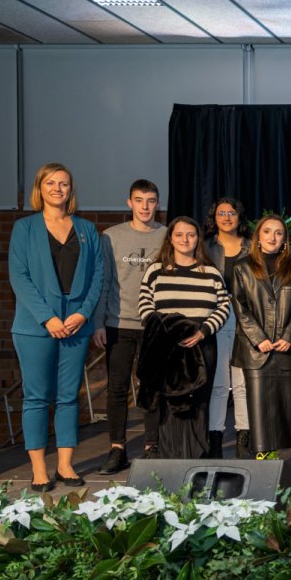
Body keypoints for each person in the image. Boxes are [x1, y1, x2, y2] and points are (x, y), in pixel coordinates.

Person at [9, 163, 103, 491]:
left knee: (68, 397)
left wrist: (83, 313)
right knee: (36, 397)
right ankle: (38, 470)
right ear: (40, 188)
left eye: (63, 183)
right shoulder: (25, 228)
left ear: (70, 190)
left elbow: (97, 277)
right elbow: (18, 277)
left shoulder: (86, 229)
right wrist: (47, 317)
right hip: (36, 326)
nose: (57, 189)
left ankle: (65, 465)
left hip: (77, 324)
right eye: (51, 183)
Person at [137, 216, 230, 459]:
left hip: (202, 345)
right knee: (168, 403)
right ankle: (169, 458)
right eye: (179, 234)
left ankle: (197, 456)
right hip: (166, 347)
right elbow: (145, 304)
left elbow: (223, 307)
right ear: (170, 238)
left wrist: (203, 331)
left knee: (199, 402)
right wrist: (166, 333)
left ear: (198, 239)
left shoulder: (211, 273)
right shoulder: (156, 271)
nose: (185, 239)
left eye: (190, 234)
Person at [91, 178, 165, 472]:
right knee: (117, 388)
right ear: (129, 203)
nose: (145, 206)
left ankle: (152, 447)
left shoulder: (169, 236)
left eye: (150, 201)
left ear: (158, 204)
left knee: (152, 387)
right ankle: (117, 450)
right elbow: (103, 282)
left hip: (155, 325)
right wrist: (99, 323)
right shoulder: (110, 237)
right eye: (139, 200)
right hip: (118, 323)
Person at [231, 215, 291, 459]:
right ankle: (261, 452)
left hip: (286, 348)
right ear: (258, 237)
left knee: (284, 404)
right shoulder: (241, 268)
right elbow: (239, 306)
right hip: (256, 349)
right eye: (267, 232)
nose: (272, 237)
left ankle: (274, 452)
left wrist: (289, 336)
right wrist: (258, 337)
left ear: (285, 239)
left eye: (278, 233)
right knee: (258, 403)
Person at [204, 197, 252, 458]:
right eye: (221, 212)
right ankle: (215, 439)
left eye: (231, 212)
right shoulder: (205, 247)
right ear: (214, 217)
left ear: (239, 217)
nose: (226, 217)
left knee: (242, 383)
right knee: (220, 383)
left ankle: (244, 439)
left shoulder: (252, 247)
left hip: (246, 320)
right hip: (217, 318)